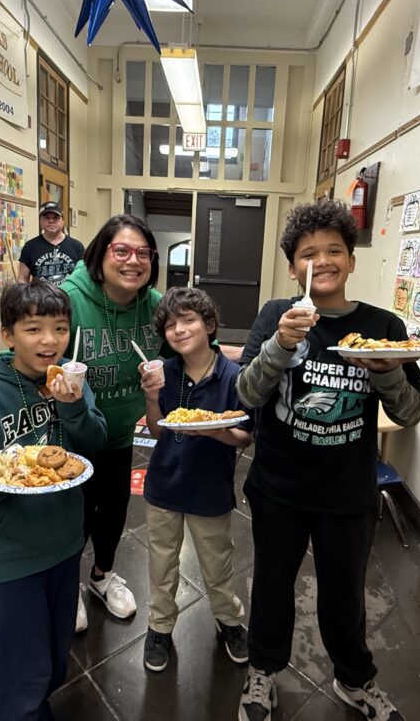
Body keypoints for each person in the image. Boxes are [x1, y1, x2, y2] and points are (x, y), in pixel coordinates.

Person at [235, 199, 420, 721]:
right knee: (271, 587)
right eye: (308, 253)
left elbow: (409, 412)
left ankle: (355, 680)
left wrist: (385, 366)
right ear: (293, 265)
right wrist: (279, 344)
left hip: (347, 492)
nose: (322, 261)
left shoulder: (382, 323)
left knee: (345, 596)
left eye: (334, 250)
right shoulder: (277, 315)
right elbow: (248, 394)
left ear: (351, 259)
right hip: (279, 487)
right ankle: (264, 672)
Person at [0, 214, 173, 631]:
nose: (132, 261)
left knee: (114, 510)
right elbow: (29, 342)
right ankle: (67, 585)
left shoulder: (155, 304)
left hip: (117, 430)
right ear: (100, 255)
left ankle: (103, 576)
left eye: (143, 253)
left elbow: (189, 340)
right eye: (120, 250)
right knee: (77, 511)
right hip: (67, 432)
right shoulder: (72, 296)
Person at [0, 281, 107, 721]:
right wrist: (10, 484)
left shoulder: (71, 380)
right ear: (8, 335)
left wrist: (73, 406)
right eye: (34, 329)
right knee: (25, 673)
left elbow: (94, 442)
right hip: (10, 554)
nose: (50, 340)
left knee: (56, 660)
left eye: (60, 328)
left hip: (64, 541)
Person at [138, 287, 252, 673]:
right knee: (161, 564)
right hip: (163, 486)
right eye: (170, 325)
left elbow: (244, 436)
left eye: (188, 320)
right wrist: (152, 398)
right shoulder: (164, 373)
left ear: (209, 324)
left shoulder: (232, 376)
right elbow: (157, 432)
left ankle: (229, 621)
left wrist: (214, 430)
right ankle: (159, 627)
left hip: (210, 488)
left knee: (217, 564)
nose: (179, 330)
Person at [18, 202, 85, 285]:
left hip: (69, 297)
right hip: (41, 297)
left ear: (63, 221)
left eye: (56, 218)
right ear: (40, 221)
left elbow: (84, 277)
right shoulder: (29, 247)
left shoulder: (77, 246)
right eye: (47, 218)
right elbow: (22, 280)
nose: (51, 221)